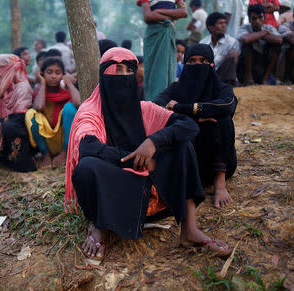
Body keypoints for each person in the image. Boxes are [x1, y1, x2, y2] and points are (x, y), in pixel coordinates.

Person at [65, 47, 232, 260]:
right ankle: (102, 226)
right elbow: (88, 147)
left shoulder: (144, 108)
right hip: (117, 194)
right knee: (86, 168)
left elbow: (188, 126)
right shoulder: (91, 112)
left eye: (129, 70)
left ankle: (189, 230)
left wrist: (153, 142)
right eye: (117, 70)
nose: (124, 76)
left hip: (155, 196)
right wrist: (138, 160)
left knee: (182, 145)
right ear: (103, 74)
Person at [154, 44, 238, 209]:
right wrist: (193, 119)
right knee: (182, 126)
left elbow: (227, 105)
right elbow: (156, 107)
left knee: (223, 119)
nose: (197, 65)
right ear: (185, 65)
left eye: (203, 61)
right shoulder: (176, 89)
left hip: (220, 162)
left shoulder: (222, 88)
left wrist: (182, 108)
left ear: (211, 64)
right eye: (191, 61)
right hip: (187, 164)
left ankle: (219, 183)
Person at [0, 54, 37, 172]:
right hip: (1, 123)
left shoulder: (23, 87)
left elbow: (20, 117)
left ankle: (18, 161)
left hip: (18, 127)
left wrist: (1, 125)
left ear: (7, 70)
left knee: (10, 127)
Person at [25, 58, 80, 168]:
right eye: (49, 73)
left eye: (58, 73)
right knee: (31, 114)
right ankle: (46, 155)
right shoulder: (40, 93)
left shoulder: (67, 93)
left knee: (70, 107)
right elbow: (39, 107)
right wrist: (42, 83)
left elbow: (79, 103)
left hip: (65, 139)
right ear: (42, 74)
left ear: (63, 75)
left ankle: (65, 153)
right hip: (47, 141)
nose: (53, 76)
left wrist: (68, 82)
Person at [138, 0, 188, 101]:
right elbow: (148, 16)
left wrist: (158, 12)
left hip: (169, 34)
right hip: (154, 36)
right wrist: (173, 16)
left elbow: (184, 12)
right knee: (154, 74)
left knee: (168, 73)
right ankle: (153, 106)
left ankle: (164, 107)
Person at [236, 4, 282, 85]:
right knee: (247, 44)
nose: (257, 21)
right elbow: (247, 39)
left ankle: (265, 79)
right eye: (254, 18)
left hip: (263, 64)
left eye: (260, 17)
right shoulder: (244, 28)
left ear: (264, 17)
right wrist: (264, 33)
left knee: (276, 46)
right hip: (245, 67)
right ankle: (249, 79)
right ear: (249, 19)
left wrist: (257, 35)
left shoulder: (269, 28)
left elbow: (279, 40)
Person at [200, 12, 240, 85]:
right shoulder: (203, 43)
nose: (224, 25)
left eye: (225, 23)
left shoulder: (232, 42)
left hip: (224, 77)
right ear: (210, 27)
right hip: (208, 76)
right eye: (220, 23)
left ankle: (229, 86)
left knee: (233, 54)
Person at [276, 15, 294, 83]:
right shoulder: (285, 26)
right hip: (286, 61)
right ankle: (285, 78)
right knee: (289, 48)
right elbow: (292, 40)